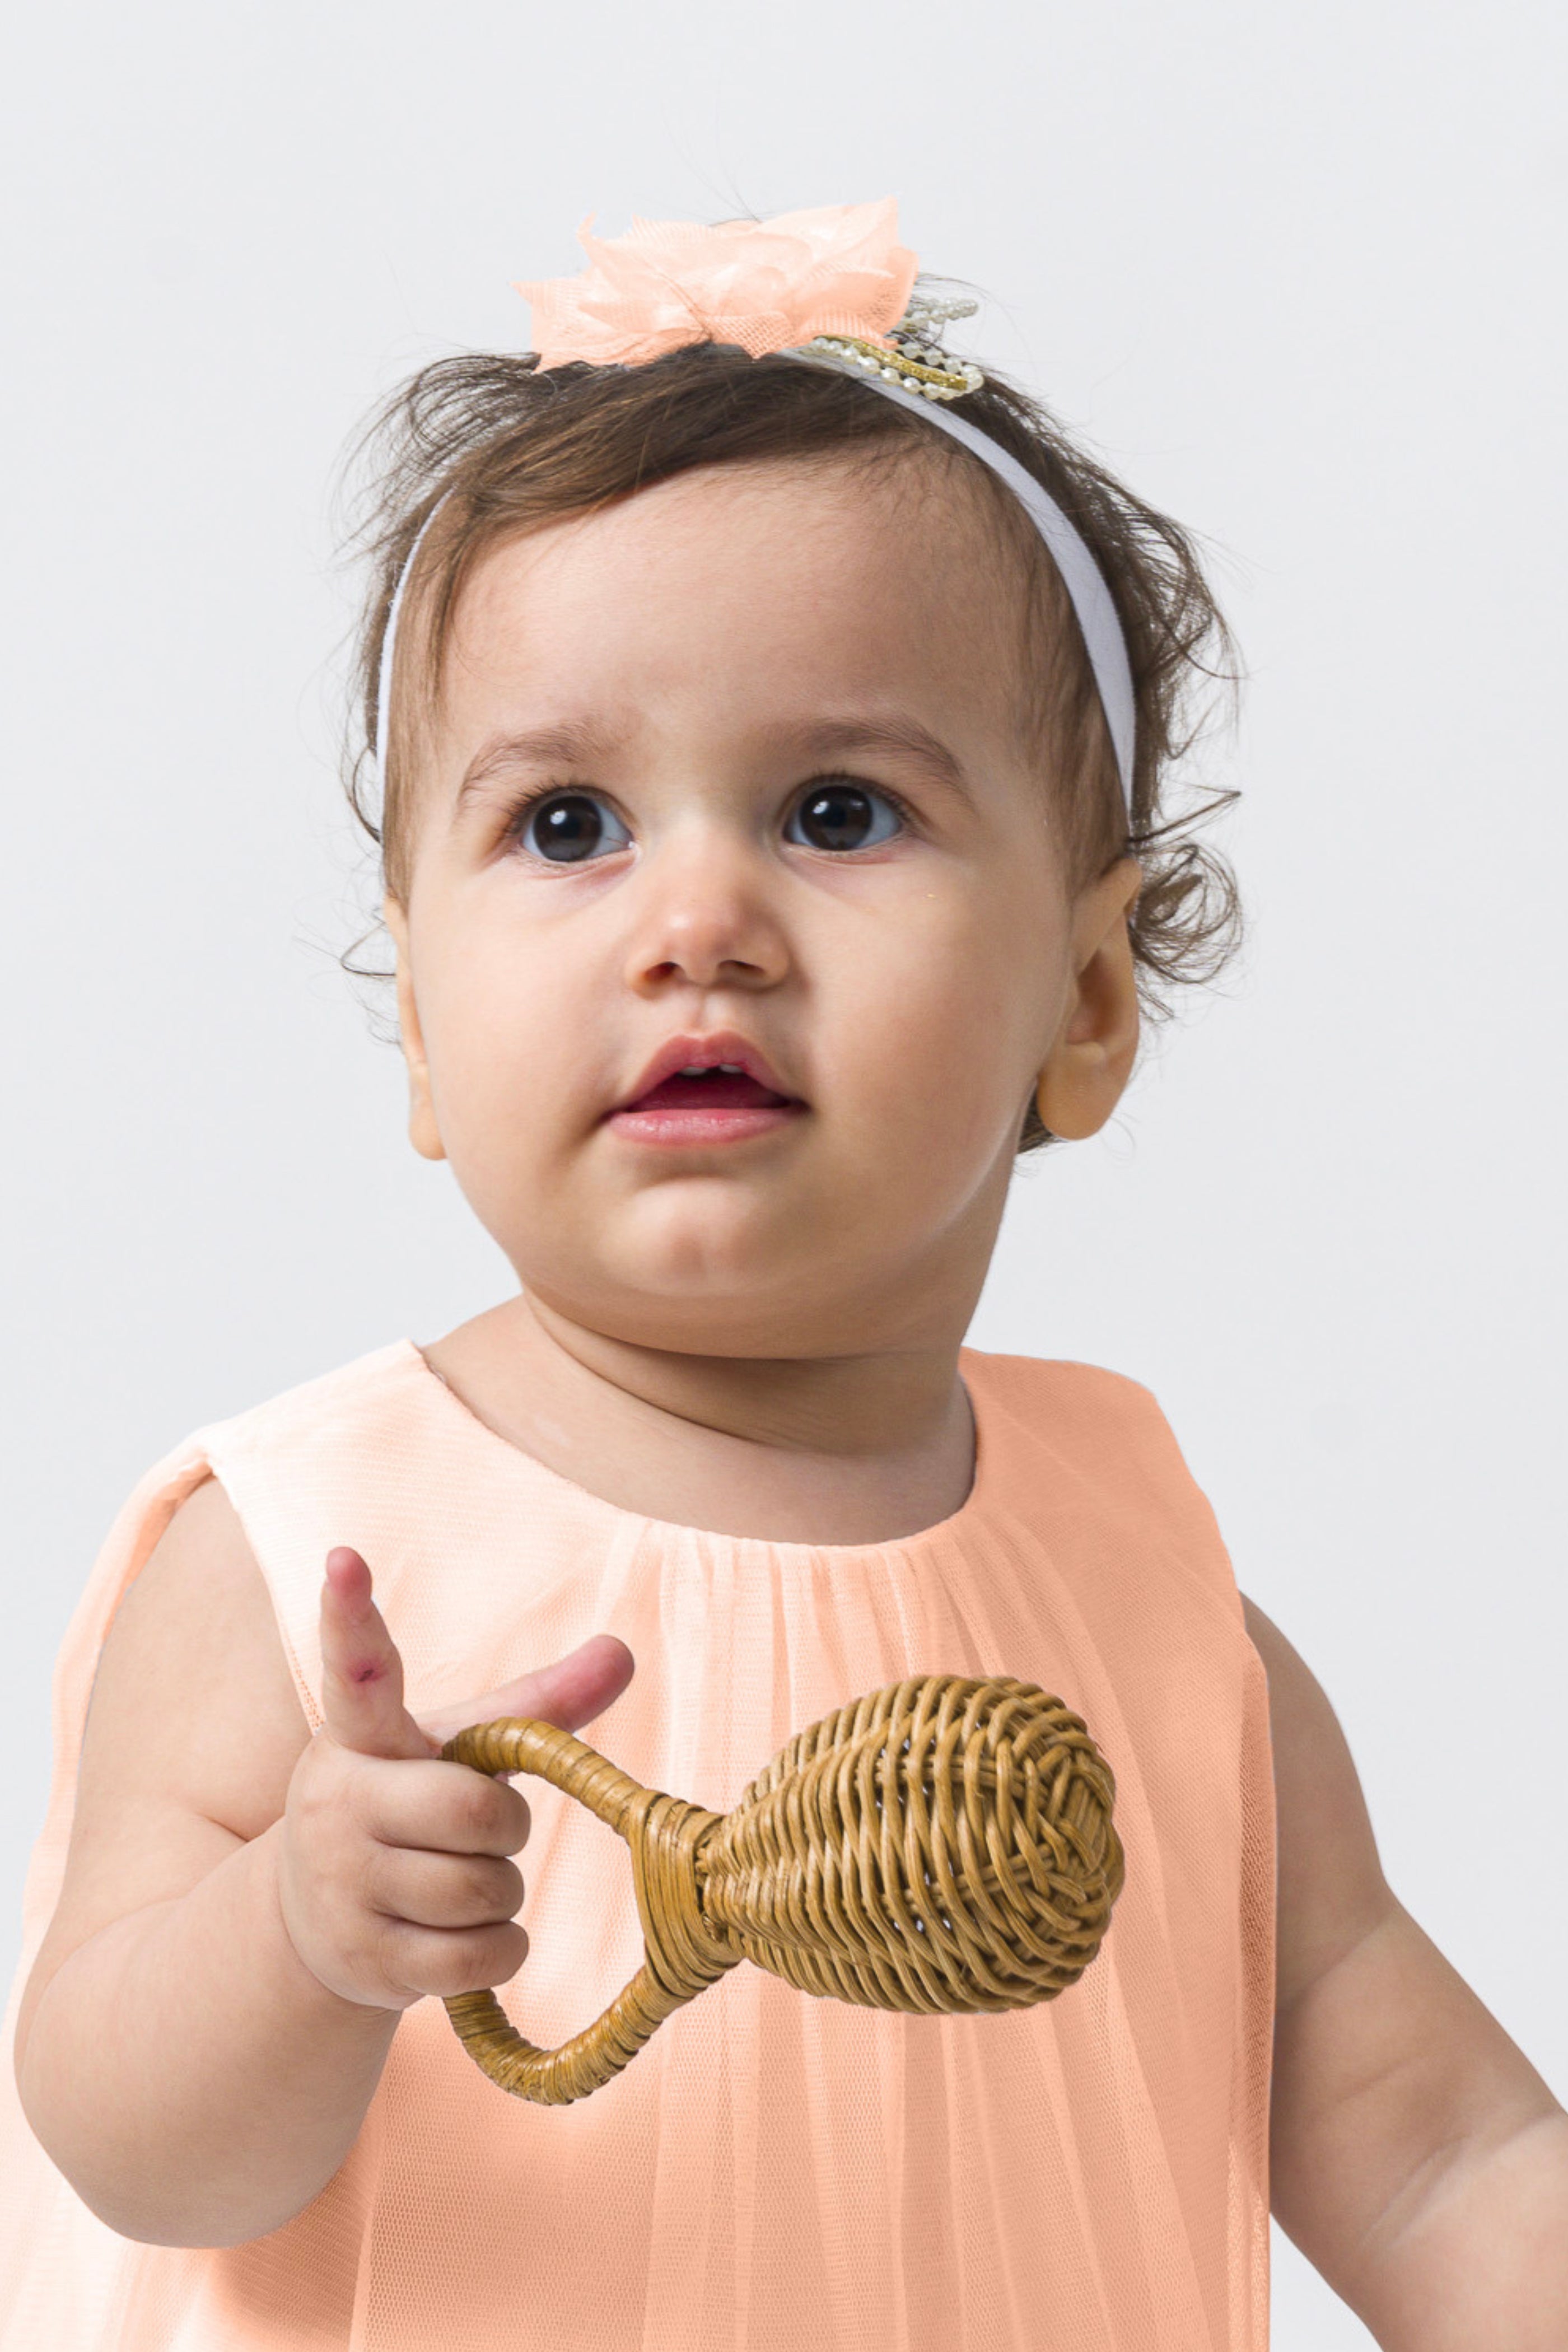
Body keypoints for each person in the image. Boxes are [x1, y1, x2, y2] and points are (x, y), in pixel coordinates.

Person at [3, 198, 1562, 2351]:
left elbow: (1438, 2153)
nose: (698, 918)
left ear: (1089, 1000)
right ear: (427, 1038)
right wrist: (299, 1930)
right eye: (567, 827)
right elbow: (128, 2140)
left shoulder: (1161, 1617)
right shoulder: (310, 1565)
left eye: (836, 810)